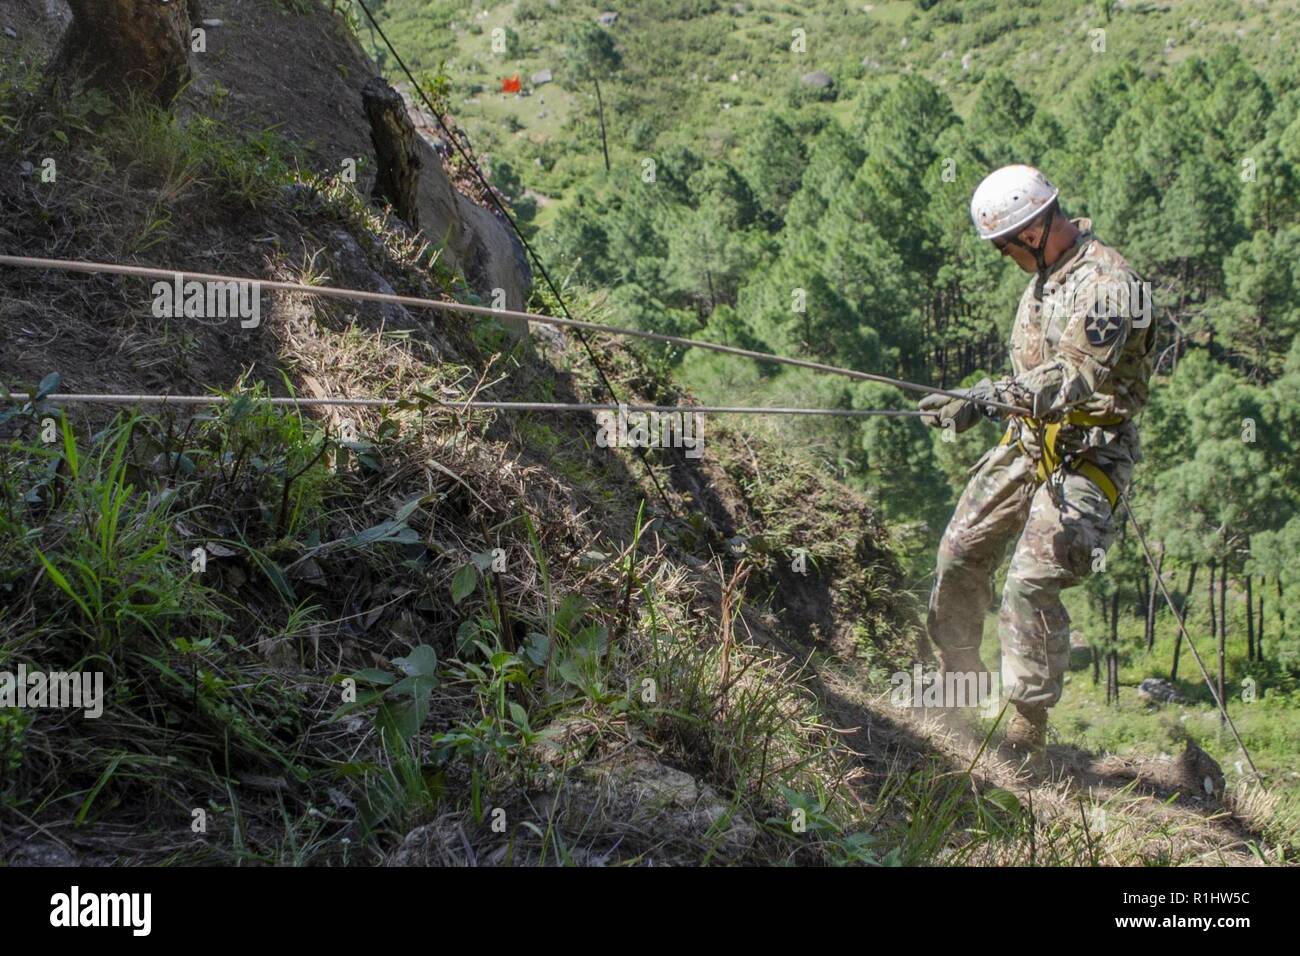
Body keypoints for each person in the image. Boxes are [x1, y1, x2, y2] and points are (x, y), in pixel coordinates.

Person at [918, 164, 1156, 762]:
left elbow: (1078, 373)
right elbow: (1034, 373)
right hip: (1030, 439)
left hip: (1089, 454)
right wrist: (984, 398)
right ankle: (957, 696)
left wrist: (990, 396)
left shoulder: (1110, 285)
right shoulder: (1048, 279)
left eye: (1005, 247)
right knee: (959, 555)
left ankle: (1027, 734)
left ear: (1031, 231)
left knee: (1029, 584)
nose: (1005, 258)